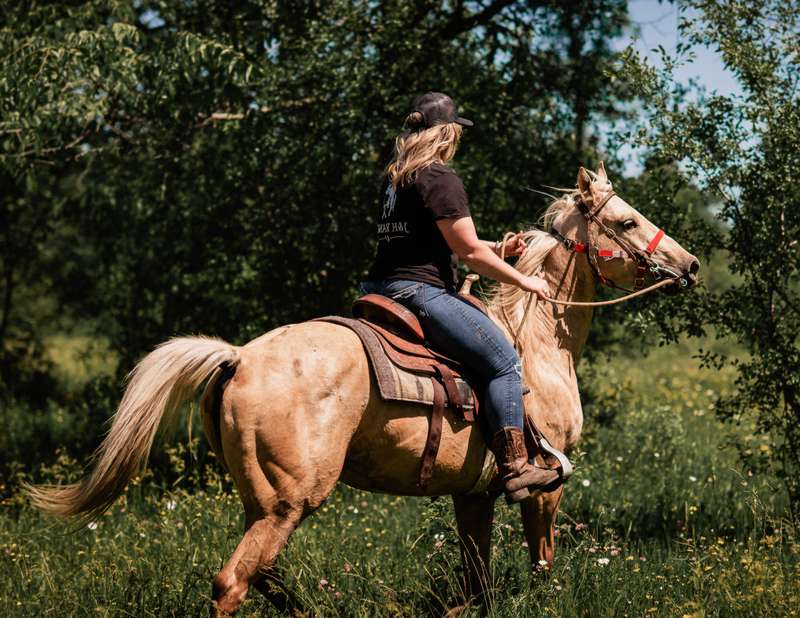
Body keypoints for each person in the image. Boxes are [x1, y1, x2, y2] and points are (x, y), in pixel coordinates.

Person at [360, 92, 558, 503]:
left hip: (379, 289)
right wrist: (527, 282)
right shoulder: (440, 177)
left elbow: (444, 239)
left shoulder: (396, 178)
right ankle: (515, 468)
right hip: (420, 292)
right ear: (447, 132)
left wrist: (499, 250)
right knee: (504, 362)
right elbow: (467, 252)